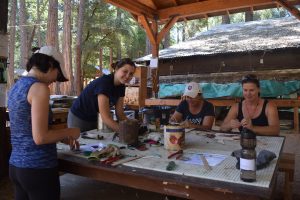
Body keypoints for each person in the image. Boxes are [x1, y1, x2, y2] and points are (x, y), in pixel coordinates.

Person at [7, 46, 80, 200]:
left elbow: (27, 128)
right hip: (38, 168)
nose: (55, 80)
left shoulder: (16, 87)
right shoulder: (40, 88)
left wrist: (61, 137)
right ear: (51, 65)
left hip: (16, 167)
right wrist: (70, 132)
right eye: (57, 74)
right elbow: (40, 137)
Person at [68, 58, 136, 132]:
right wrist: (124, 131)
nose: (127, 76)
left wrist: (132, 126)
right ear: (116, 69)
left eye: (131, 74)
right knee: (80, 142)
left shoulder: (121, 86)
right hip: (79, 117)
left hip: (94, 118)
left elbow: (120, 114)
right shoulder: (104, 83)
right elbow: (106, 118)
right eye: (125, 71)